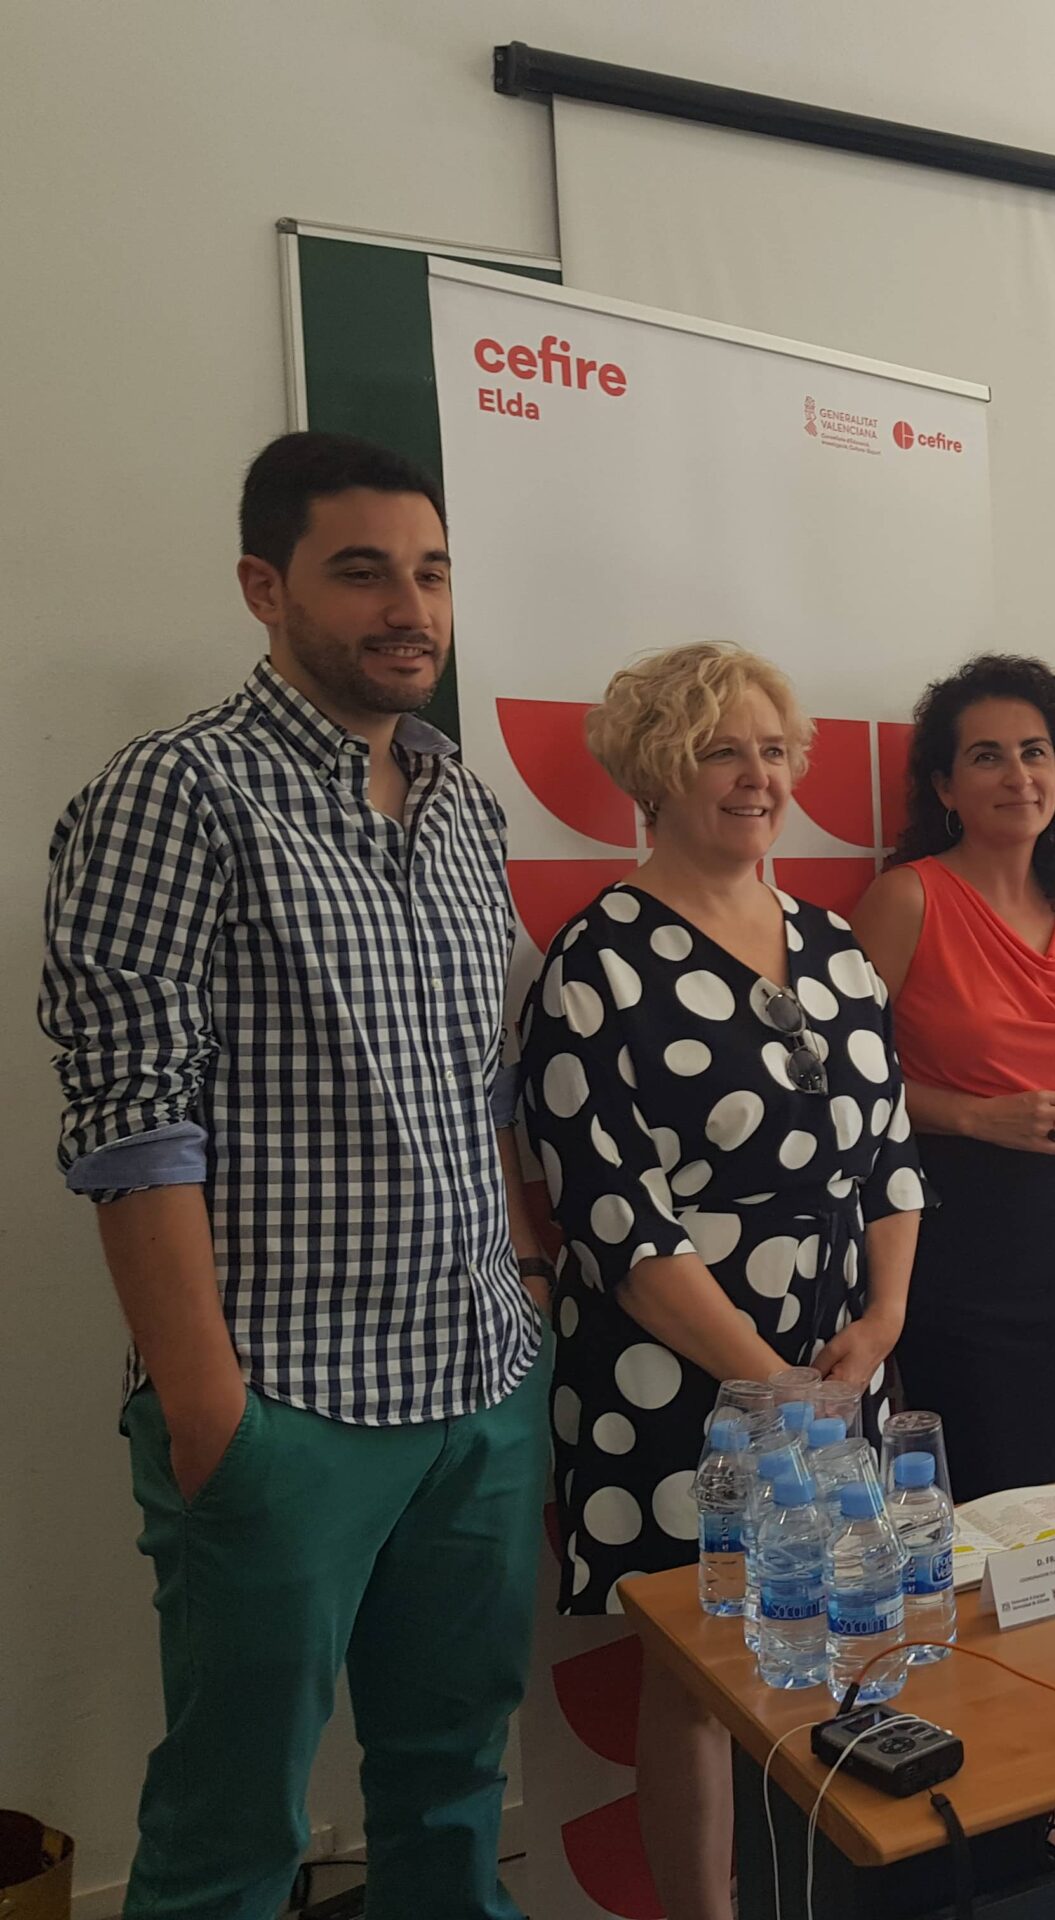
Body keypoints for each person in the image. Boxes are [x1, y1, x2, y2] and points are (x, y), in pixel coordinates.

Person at [40, 432, 551, 1919]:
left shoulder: (461, 801)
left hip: (477, 1380)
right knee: (232, 1830)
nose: (411, 609)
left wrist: (522, 1287)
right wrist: (210, 1408)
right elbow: (132, 1123)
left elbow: (481, 1078)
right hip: (285, 1400)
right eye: (363, 574)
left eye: (432, 573)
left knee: (455, 1785)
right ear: (265, 589)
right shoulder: (177, 791)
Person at [517, 642, 927, 1920]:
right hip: (675, 1377)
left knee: (838, 1651)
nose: (757, 776)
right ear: (654, 772)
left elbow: (891, 1157)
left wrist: (882, 1320)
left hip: (839, 1362)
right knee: (699, 1677)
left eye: (772, 750)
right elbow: (615, 1221)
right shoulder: (599, 960)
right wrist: (772, 1387)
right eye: (720, 752)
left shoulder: (833, 946)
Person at [851, 655, 1055, 1501]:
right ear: (945, 786)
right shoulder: (908, 899)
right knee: (978, 1493)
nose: (1018, 776)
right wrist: (974, 1117)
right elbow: (840, 1089)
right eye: (987, 757)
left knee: (1050, 1481)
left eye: (1034, 752)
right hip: (952, 1235)